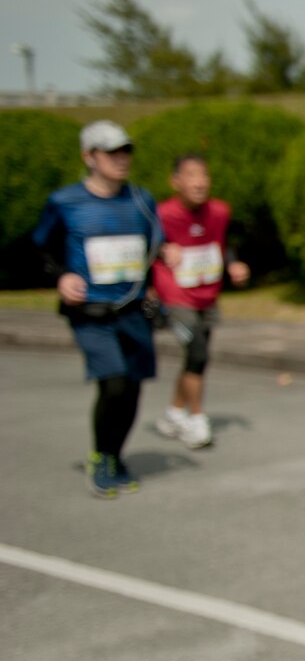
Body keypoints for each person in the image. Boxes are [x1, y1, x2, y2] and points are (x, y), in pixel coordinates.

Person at [33, 120, 163, 498]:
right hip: (90, 313)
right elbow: (39, 247)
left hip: (134, 311)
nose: (122, 160)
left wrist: (160, 268)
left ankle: (115, 454)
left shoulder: (141, 200)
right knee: (114, 383)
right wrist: (60, 277)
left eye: (126, 151)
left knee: (133, 389)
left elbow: (152, 248)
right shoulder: (65, 202)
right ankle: (100, 458)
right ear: (89, 157)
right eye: (112, 153)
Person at [151, 152, 251, 449]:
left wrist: (233, 264)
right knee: (197, 354)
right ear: (176, 181)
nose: (199, 182)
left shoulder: (219, 211)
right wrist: (162, 251)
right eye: (191, 175)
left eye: (204, 175)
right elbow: (145, 245)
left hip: (207, 295)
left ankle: (173, 414)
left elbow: (222, 245)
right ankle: (196, 421)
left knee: (197, 357)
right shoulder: (162, 215)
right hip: (175, 297)